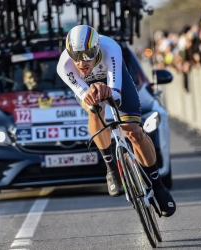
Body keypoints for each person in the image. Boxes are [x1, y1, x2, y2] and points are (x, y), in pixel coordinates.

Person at [57, 25, 176, 217]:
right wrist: (93, 93)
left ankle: (158, 184)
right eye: (75, 55)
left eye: (87, 54)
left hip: (115, 82)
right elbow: (84, 94)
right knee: (94, 110)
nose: (81, 62)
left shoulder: (110, 47)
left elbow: (117, 96)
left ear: (96, 48)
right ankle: (111, 168)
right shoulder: (64, 65)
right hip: (88, 87)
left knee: (133, 131)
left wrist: (107, 91)